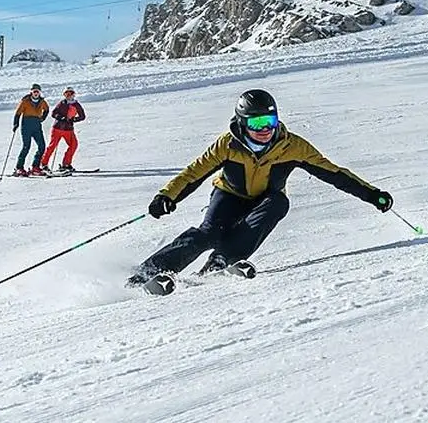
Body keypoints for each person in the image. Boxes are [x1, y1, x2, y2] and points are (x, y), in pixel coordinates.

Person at [128, 88, 393, 284]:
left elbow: (334, 173)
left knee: (279, 203)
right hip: (229, 195)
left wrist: (372, 195)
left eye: (270, 121)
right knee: (209, 233)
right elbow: (193, 173)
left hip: (266, 199)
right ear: (242, 122)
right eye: (257, 123)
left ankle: (222, 260)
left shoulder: (292, 146)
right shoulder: (227, 145)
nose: (265, 129)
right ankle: (149, 272)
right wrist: (167, 196)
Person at [41, 86, 86, 173]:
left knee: (73, 145)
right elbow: (54, 113)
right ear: (64, 95)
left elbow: (82, 116)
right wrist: (61, 117)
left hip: (68, 129)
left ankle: (66, 164)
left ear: (73, 94)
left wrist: (74, 119)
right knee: (52, 146)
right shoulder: (62, 103)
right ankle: (44, 164)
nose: (69, 95)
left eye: (70, 93)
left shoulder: (76, 105)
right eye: (67, 94)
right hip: (57, 128)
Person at [11, 83, 50, 177]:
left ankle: (35, 167)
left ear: (40, 92)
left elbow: (47, 109)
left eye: (37, 91)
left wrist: (43, 118)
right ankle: (19, 167)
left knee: (42, 146)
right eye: (34, 91)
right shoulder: (25, 101)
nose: (36, 93)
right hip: (26, 126)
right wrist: (16, 123)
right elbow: (18, 113)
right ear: (31, 92)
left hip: (37, 126)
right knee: (26, 147)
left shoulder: (42, 101)